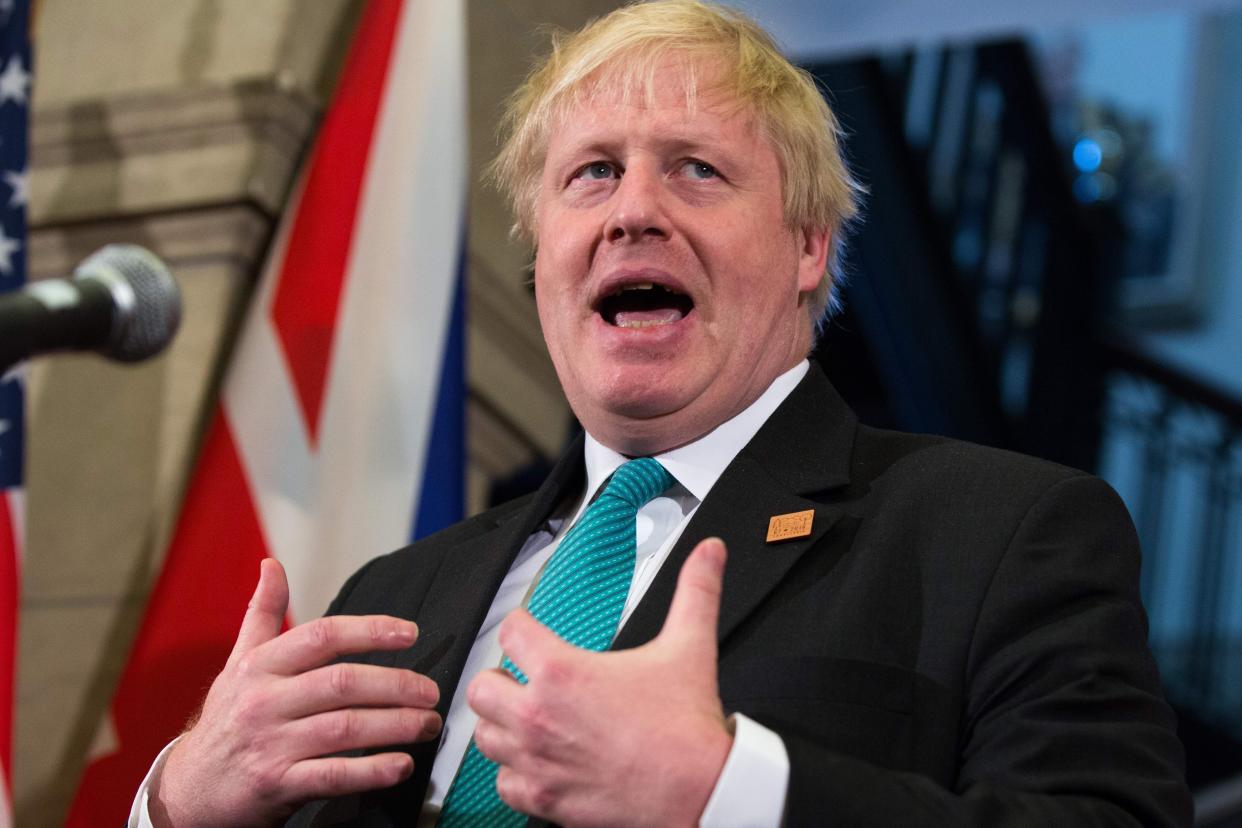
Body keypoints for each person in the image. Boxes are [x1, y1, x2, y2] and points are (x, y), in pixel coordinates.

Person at [136, 2, 1192, 826]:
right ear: (541, 258)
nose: (634, 209)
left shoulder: (1000, 533)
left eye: (697, 169)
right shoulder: (395, 593)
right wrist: (183, 799)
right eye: (591, 174)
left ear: (808, 249)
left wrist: (726, 794)